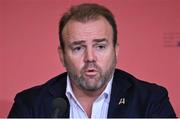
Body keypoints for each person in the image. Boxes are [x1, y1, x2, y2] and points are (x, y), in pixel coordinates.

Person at [8, 3, 176, 118]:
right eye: (78, 48)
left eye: (100, 46)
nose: (90, 58)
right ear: (62, 55)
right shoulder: (29, 105)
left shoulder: (150, 100)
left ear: (115, 50)